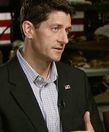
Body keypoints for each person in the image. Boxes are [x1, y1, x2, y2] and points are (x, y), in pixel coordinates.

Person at [0, 0, 103, 132]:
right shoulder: (2, 84)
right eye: (55, 28)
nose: (65, 39)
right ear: (29, 29)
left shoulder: (78, 80)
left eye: (67, 30)